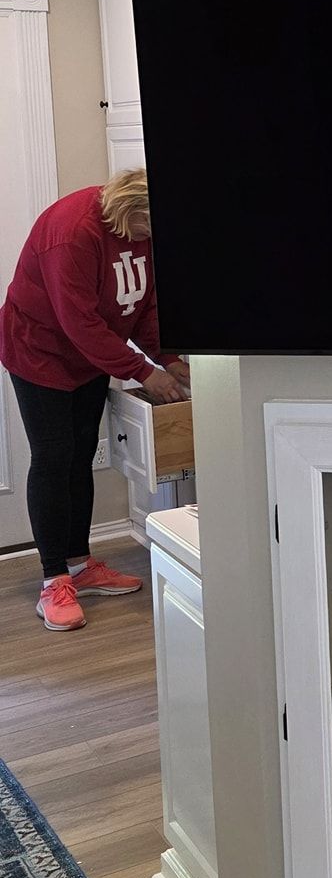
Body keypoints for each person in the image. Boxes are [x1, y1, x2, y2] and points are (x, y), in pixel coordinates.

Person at [0, 170, 189, 632]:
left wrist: (169, 358)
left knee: (79, 455)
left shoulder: (141, 232)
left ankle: (80, 565)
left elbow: (144, 306)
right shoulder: (72, 234)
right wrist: (144, 372)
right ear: (131, 212)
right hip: (39, 353)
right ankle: (54, 581)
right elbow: (78, 322)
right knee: (53, 458)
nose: (151, 240)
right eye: (148, 229)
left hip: (90, 358)